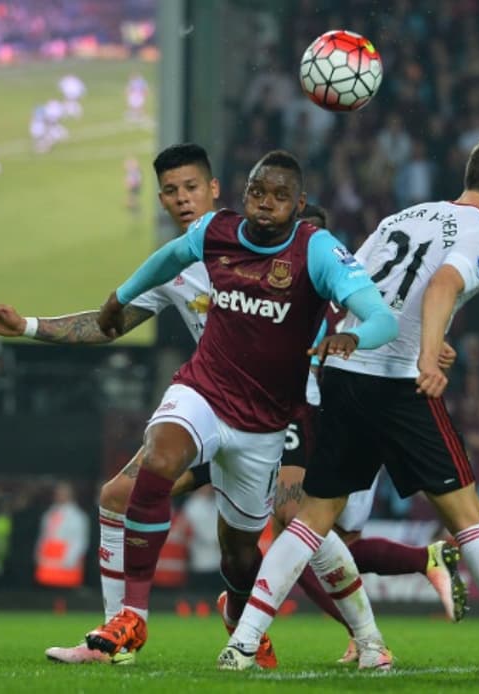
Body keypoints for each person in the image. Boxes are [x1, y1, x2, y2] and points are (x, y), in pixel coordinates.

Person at [219, 134, 479, 678]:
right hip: (397, 384)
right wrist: (427, 355)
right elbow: (443, 283)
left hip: (344, 374)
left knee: (311, 522)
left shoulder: (405, 216)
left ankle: (243, 642)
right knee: (470, 522)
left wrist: (423, 333)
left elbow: (357, 290)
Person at [84, 149, 399, 668]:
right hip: (204, 391)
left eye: (279, 197)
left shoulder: (317, 251)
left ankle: (254, 625)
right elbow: (169, 258)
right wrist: (121, 295)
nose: (265, 205)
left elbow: (380, 318)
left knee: (239, 552)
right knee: (158, 458)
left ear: (298, 205)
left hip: (265, 424)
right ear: (244, 193)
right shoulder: (216, 231)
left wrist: (353, 338)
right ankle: (132, 617)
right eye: (257, 192)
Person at [0, 143, 221, 664]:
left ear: (214, 189)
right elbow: (106, 325)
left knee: (296, 527)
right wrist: (27, 327)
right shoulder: (170, 268)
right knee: (116, 496)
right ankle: (115, 639)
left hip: (281, 410)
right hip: (214, 406)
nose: (182, 199)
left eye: (191, 187)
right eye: (171, 191)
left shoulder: (254, 244)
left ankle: (365, 637)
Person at [261, 203, 466, 664]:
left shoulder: (340, 284)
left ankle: (365, 634)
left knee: (300, 532)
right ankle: (422, 564)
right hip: (334, 412)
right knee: (336, 545)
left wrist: (431, 348)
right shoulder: (329, 283)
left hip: (328, 414)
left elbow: (390, 321)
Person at [34, 482, 89, 589]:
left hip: (66, 558)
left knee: (64, 590)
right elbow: (44, 536)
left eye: (63, 493)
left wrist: (70, 559)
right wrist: (39, 554)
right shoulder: (49, 513)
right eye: (58, 493)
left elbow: (79, 541)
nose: (60, 495)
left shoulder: (77, 516)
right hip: (48, 558)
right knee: (47, 588)